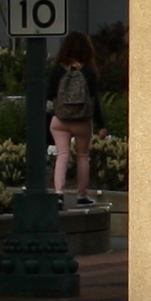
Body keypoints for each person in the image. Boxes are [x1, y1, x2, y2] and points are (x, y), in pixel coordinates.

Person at [49, 33, 99, 200]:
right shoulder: (89, 71)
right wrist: (102, 124)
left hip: (60, 120)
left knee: (62, 155)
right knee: (83, 156)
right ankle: (82, 195)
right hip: (82, 120)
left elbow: (49, 95)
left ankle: (58, 194)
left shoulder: (57, 70)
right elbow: (94, 99)